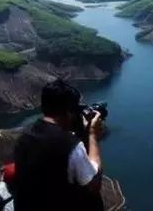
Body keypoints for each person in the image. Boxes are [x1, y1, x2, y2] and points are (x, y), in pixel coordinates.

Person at [12, 79, 104, 211]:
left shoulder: (24, 137)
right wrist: (92, 135)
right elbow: (94, 184)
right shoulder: (69, 145)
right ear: (69, 112)